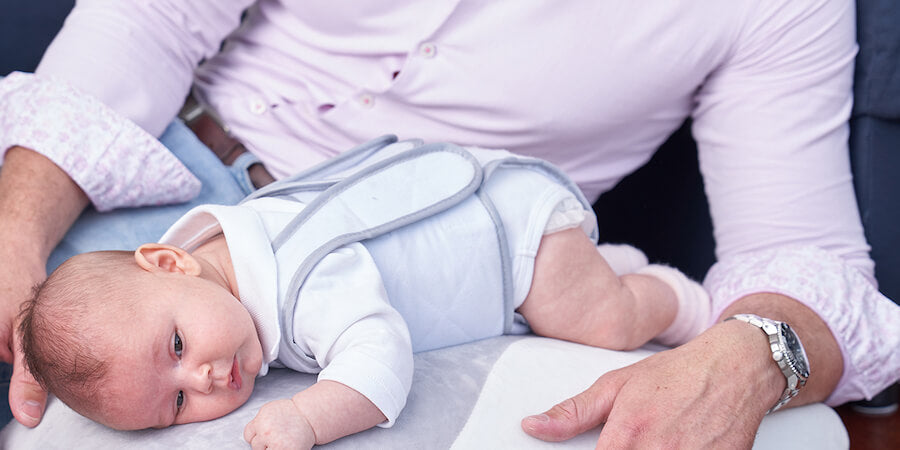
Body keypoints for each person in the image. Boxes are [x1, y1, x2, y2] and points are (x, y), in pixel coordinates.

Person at [0, 0, 898, 447]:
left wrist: (754, 354)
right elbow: (148, 19)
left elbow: (805, 258)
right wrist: (13, 229)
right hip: (152, 179)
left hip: (441, 264)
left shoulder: (777, 11)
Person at [17, 141, 710, 449]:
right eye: (175, 404)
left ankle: (667, 294)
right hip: (462, 205)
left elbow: (381, 357)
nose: (203, 377)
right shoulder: (217, 260)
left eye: (175, 345)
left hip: (513, 237)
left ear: (170, 262)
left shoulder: (304, 283)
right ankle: (606, 266)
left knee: (601, 320)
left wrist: (308, 418)